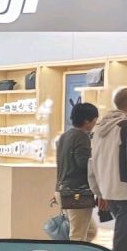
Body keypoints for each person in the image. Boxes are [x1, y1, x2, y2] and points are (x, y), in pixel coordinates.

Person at [89, 88, 127, 251]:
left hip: (110, 192)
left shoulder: (99, 129)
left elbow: (92, 162)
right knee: (125, 244)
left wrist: (99, 192)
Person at [56, 101, 99, 242]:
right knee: (77, 236)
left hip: (64, 190)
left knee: (89, 231)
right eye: (95, 120)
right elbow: (85, 165)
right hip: (77, 193)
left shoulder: (65, 136)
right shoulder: (82, 137)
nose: (95, 124)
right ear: (87, 121)